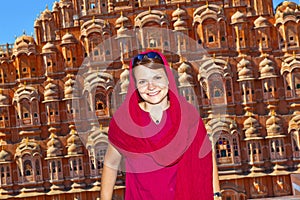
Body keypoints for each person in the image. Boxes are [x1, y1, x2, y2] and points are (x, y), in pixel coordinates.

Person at [100, 50, 213, 200]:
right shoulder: (125, 121)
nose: (151, 86)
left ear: (168, 79)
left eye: (157, 78)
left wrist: (216, 194)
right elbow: (111, 163)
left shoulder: (187, 115)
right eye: (142, 81)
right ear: (135, 86)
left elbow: (206, 159)